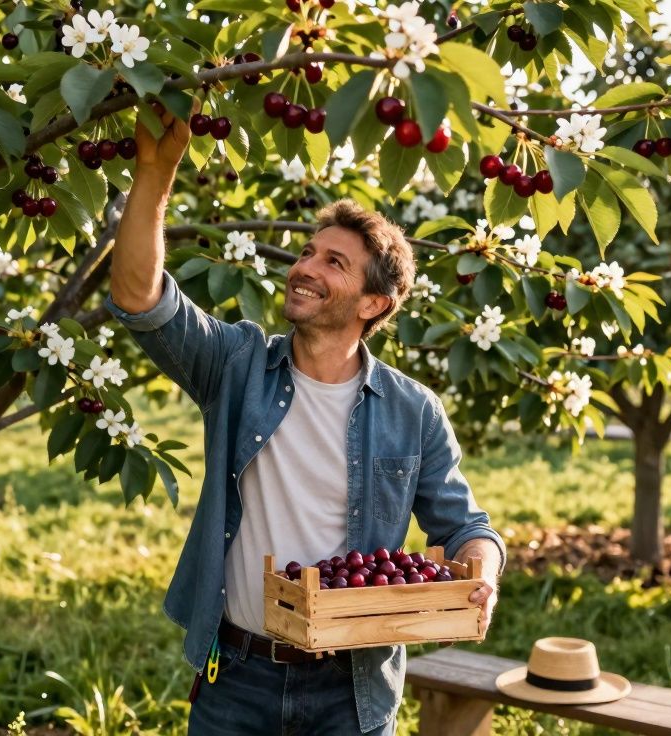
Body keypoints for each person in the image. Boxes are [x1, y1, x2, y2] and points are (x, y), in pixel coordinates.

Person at [104, 105, 505, 735]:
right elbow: (138, 298)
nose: (305, 268)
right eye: (309, 253)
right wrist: (155, 175)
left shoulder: (413, 410)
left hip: (354, 688)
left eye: (334, 264)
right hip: (238, 674)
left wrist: (481, 571)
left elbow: (466, 527)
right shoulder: (237, 366)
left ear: (375, 303)